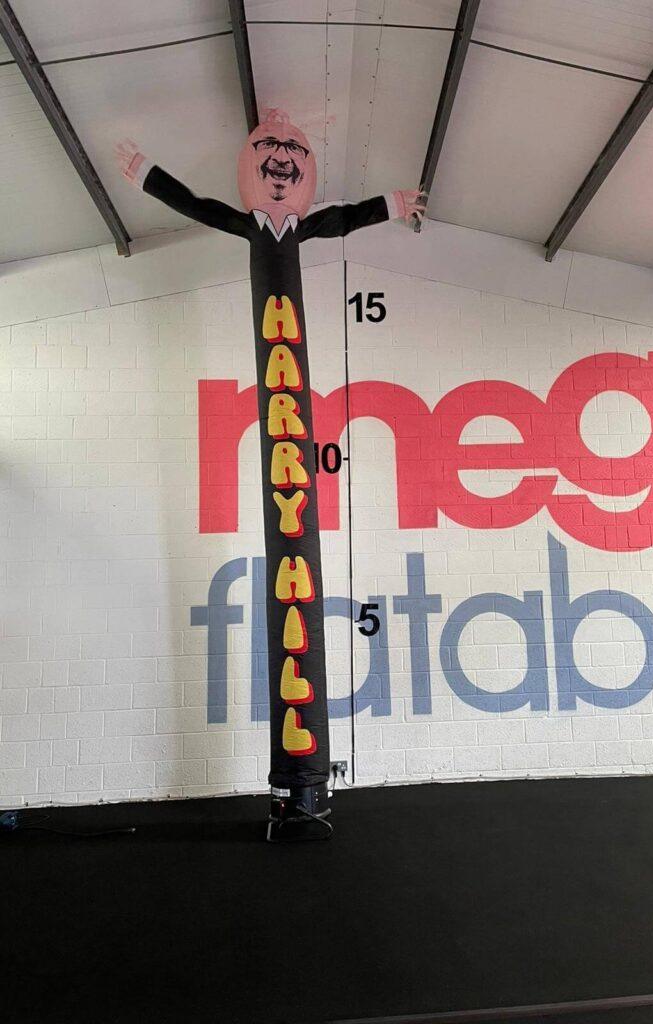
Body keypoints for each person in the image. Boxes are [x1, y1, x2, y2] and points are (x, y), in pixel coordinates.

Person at [116, 110, 426, 840]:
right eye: (269, 147)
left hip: (291, 431)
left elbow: (344, 217)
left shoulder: (304, 228)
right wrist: (147, 176)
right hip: (282, 413)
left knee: (297, 591)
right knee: (291, 590)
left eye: (292, 149)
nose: (281, 158)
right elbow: (197, 205)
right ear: (249, 165)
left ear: (305, 170)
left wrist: (391, 204)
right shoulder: (252, 228)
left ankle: (304, 786)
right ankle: (297, 788)